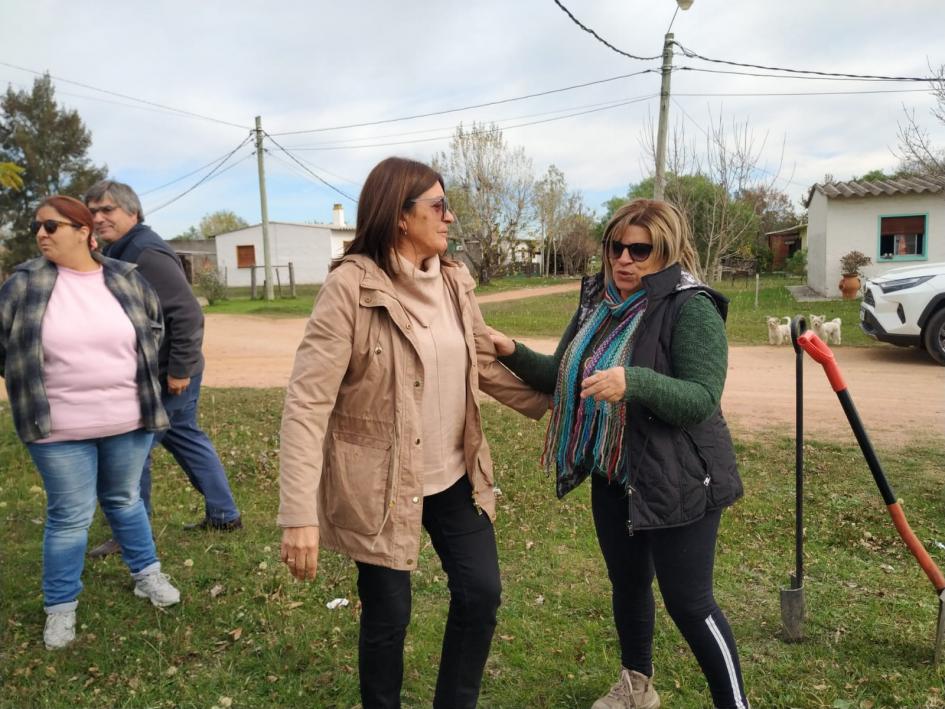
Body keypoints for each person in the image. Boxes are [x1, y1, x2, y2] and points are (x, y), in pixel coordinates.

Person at [278, 157, 548, 708]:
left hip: (453, 471)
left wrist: (554, 403)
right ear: (400, 216)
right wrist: (298, 513)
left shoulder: (453, 281)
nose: (449, 217)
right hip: (378, 482)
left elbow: (483, 365)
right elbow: (307, 403)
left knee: (481, 592)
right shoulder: (350, 288)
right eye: (438, 206)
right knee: (388, 614)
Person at [489, 199, 750, 709]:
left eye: (640, 249)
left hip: (680, 476)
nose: (624, 259)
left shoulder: (689, 306)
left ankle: (734, 704)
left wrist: (634, 381)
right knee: (628, 585)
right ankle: (637, 688)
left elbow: (700, 399)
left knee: (689, 603)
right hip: (615, 472)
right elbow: (564, 376)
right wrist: (510, 350)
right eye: (616, 247)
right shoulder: (597, 304)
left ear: (666, 252)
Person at [0, 196, 181, 650]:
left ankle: (147, 575)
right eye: (37, 227)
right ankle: (61, 608)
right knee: (70, 518)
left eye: (51, 225)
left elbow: (154, 330)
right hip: (57, 429)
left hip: (129, 419)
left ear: (84, 232)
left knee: (124, 499)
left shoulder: (124, 278)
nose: (41, 233)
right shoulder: (24, 284)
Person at [83, 180, 241, 558]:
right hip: (162, 371)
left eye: (108, 210)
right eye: (93, 212)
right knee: (183, 435)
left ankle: (129, 534)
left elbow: (186, 313)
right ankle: (224, 513)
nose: (99, 218)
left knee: (131, 449)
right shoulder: (122, 248)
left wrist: (179, 370)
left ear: (132, 212)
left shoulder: (145, 251)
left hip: (167, 374)